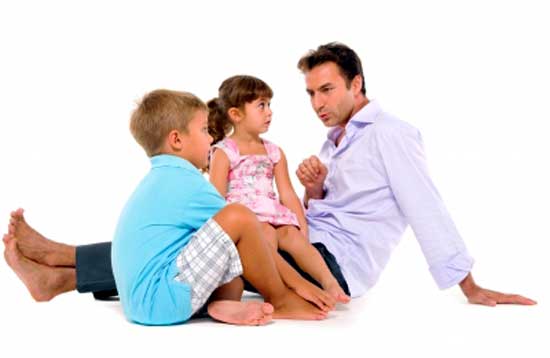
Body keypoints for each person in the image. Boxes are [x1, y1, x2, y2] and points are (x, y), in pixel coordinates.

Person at [3, 42, 536, 307]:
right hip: (309, 239)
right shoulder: (340, 138)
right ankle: (65, 274)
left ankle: (64, 261)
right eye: (309, 93)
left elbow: (426, 205)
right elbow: (344, 205)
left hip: (333, 262)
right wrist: (315, 190)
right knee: (199, 239)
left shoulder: (391, 133)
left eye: (327, 90)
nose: (316, 103)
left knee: (209, 239)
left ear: (357, 83)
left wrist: (469, 286)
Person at [4, 89, 331, 325]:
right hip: (158, 302)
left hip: (146, 301)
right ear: (177, 140)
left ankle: (218, 307)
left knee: (228, 248)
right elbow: (249, 233)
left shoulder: (163, 177)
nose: (211, 139)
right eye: (204, 131)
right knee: (239, 216)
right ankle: (282, 301)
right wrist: (294, 287)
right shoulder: (185, 183)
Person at [207, 75, 350, 306]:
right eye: (261, 106)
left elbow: (287, 193)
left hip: (273, 212)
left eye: (269, 105)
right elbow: (214, 197)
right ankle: (280, 289)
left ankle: (329, 282)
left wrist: (302, 227)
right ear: (236, 114)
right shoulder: (224, 151)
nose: (269, 112)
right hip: (248, 219)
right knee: (266, 234)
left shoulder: (274, 151)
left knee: (294, 238)